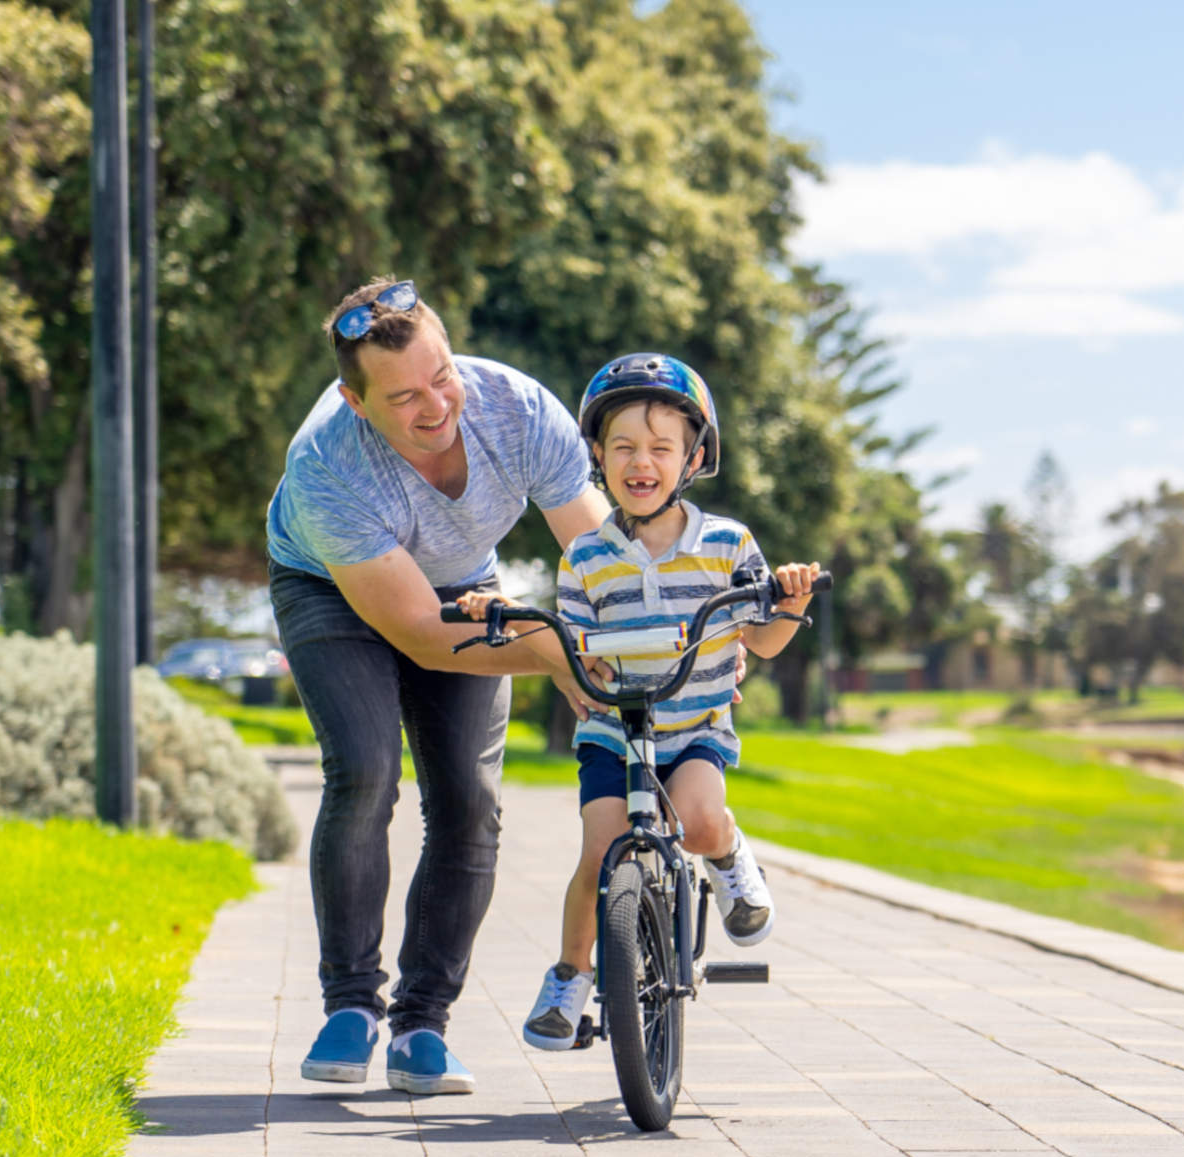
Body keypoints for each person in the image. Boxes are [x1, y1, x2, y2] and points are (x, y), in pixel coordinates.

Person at [264, 277, 612, 1095]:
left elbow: (601, 558)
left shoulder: (518, 409)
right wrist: (557, 656)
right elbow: (420, 634)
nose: (435, 407)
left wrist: (651, 635)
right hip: (333, 590)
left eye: (443, 375)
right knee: (367, 771)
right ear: (355, 401)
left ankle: (423, 1023)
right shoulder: (327, 467)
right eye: (403, 396)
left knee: (468, 801)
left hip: (465, 582)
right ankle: (350, 1005)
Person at [456, 352, 820, 1052]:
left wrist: (791, 599)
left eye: (661, 447)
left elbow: (765, 642)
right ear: (597, 455)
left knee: (701, 819)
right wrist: (508, 611)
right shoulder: (586, 556)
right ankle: (570, 976)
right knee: (599, 850)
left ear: (694, 457)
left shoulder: (727, 544)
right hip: (613, 733)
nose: (640, 460)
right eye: (622, 446)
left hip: (693, 728)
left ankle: (731, 859)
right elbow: (570, 645)